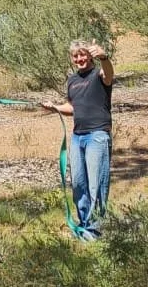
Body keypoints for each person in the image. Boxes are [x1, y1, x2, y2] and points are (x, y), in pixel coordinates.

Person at [42, 39, 114, 241]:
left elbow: (108, 74)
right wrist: (55, 107)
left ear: (90, 55)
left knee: (96, 185)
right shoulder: (72, 80)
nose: (80, 59)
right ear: (72, 59)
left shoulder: (98, 75)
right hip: (78, 137)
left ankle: (96, 230)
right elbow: (72, 107)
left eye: (83, 54)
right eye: (75, 56)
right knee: (79, 185)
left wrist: (104, 57)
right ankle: (84, 226)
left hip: (97, 136)